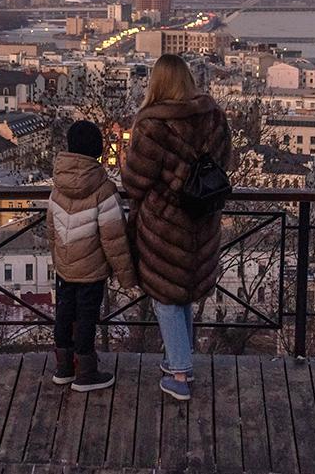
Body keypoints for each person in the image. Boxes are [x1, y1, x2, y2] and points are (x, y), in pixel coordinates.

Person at [121, 54, 231, 401]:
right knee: (182, 294)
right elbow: (225, 162)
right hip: (203, 218)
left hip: (165, 227)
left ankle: (181, 373)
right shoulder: (214, 117)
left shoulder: (153, 125)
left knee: (166, 298)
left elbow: (135, 181)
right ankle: (175, 361)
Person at [46, 120, 137, 392]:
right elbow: (114, 239)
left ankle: (64, 367)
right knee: (86, 317)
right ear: (97, 151)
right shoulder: (104, 190)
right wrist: (127, 276)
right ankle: (86, 371)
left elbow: (51, 230)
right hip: (92, 269)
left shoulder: (57, 186)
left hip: (65, 267)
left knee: (64, 314)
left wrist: (57, 259)